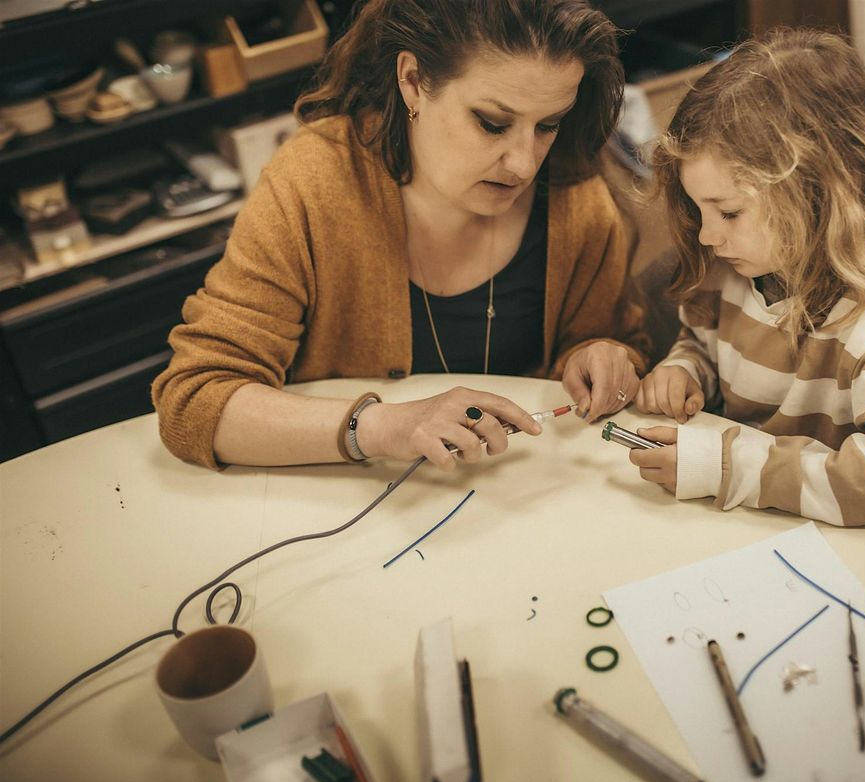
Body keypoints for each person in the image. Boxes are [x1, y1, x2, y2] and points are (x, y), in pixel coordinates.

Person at [152, 0, 648, 471]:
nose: (524, 163)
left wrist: (602, 357)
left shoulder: (575, 199)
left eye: (548, 125)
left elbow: (614, 343)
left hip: (507, 504)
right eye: (492, 123)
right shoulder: (314, 184)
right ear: (412, 81)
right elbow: (196, 399)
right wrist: (380, 427)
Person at [629, 29, 865, 525]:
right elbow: (702, 341)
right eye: (701, 212)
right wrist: (686, 370)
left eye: (730, 213)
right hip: (734, 515)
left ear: (818, 196)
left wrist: (727, 467)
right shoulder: (734, 269)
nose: (706, 237)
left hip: (812, 538)